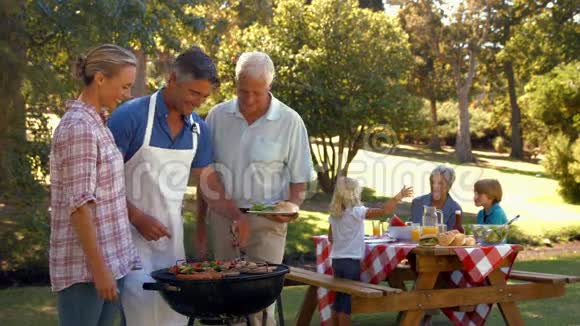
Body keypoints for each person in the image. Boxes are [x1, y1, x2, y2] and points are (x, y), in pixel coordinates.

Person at [107, 47, 249, 326]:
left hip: (172, 249)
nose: (198, 102)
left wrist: (236, 216)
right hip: (127, 245)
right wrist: (135, 216)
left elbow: (209, 182)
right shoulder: (130, 117)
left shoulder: (198, 129)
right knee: (140, 317)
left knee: (175, 319)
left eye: (204, 97)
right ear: (172, 79)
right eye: (194, 93)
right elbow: (103, 182)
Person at [202, 51, 314, 325]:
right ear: (234, 84)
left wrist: (290, 207)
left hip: (267, 222)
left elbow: (299, 180)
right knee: (226, 302)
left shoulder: (289, 121)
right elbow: (206, 176)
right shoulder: (217, 116)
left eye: (257, 92)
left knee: (260, 305)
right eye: (243, 91)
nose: (249, 99)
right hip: (222, 219)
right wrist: (202, 231)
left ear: (269, 87)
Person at [49, 44, 139, 326]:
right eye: (124, 87)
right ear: (100, 78)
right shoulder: (79, 128)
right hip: (86, 269)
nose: (127, 95)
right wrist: (100, 270)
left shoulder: (97, 122)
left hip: (111, 261)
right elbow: (79, 207)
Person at [328, 177, 412, 326]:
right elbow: (385, 210)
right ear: (355, 194)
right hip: (351, 261)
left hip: (336, 260)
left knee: (339, 298)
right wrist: (399, 196)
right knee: (347, 302)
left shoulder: (335, 214)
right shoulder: (357, 212)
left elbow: (330, 237)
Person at [411, 165, 464, 232]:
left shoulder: (455, 210)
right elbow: (411, 230)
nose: (435, 186)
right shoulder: (417, 203)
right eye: (432, 182)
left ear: (448, 186)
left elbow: (453, 237)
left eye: (440, 183)